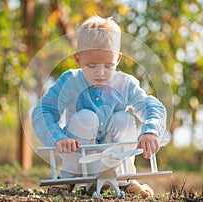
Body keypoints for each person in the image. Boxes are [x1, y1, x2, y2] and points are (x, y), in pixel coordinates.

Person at [31, 15, 167, 197]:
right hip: (80, 160)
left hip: (113, 160)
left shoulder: (125, 83)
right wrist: (58, 138)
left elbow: (152, 106)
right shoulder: (70, 81)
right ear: (78, 60)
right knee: (86, 117)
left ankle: (124, 178)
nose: (100, 73)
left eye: (108, 66)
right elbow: (43, 110)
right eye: (91, 66)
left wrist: (151, 131)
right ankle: (68, 178)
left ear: (118, 59)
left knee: (124, 119)